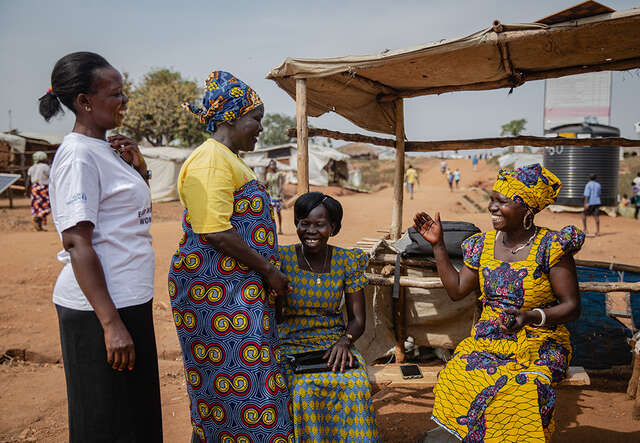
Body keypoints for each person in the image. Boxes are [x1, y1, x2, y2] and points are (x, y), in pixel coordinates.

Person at [39, 52, 162, 442]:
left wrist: (139, 168)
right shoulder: (77, 156)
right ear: (84, 102)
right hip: (99, 310)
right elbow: (76, 242)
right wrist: (110, 324)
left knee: (134, 418)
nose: (124, 101)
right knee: (105, 423)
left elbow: (128, 219)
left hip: (127, 299)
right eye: (116, 94)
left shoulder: (107, 150)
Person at [413, 164, 584, 442]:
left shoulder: (551, 246)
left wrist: (529, 317)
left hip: (539, 342)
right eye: (492, 199)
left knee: (523, 388)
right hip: (488, 340)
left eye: (502, 201)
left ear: (527, 210)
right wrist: (438, 245)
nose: (492, 207)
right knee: (457, 376)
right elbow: (456, 290)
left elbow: (572, 308)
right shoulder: (482, 245)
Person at [170, 71, 293, 442]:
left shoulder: (227, 159)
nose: (260, 127)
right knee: (240, 387)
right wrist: (270, 271)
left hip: (233, 291)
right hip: (216, 293)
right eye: (255, 119)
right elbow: (215, 230)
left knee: (245, 384)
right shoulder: (211, 161)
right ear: (231, 117)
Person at [276, 192, 380, 442]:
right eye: (304, 223)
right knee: (302, 388)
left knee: (355, 385)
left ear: (334, 227)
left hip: (333, 344)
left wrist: (344, 342)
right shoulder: (281, 260)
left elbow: (358, 320)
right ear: (296, 224)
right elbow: (276, 317)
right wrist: (276, 293)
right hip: (291, 344)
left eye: (320, 224)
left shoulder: (347, 261)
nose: (311, 231)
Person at [26, 150, 51, 231]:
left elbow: (28, 180)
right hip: (43, 189)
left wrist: (27, 191)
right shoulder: (45, 167)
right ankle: (38, 218)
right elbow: (51, 178)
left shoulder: (31, 168)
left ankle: (39, 226)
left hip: (34, 189)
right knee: (47, 207)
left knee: (37, 207)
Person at [266, 159, 285, 233]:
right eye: (271, 164)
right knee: (270, 213)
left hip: (277, 197)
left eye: (273, 164)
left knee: (278, 212)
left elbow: (280, 185)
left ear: (275, 165)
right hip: (270, 196)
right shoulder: (268, 174)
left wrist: (279, 193)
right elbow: (267, 184)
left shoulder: (278, 174)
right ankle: (271, 229)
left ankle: (280, 228)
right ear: (269, 166)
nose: (272, 166)